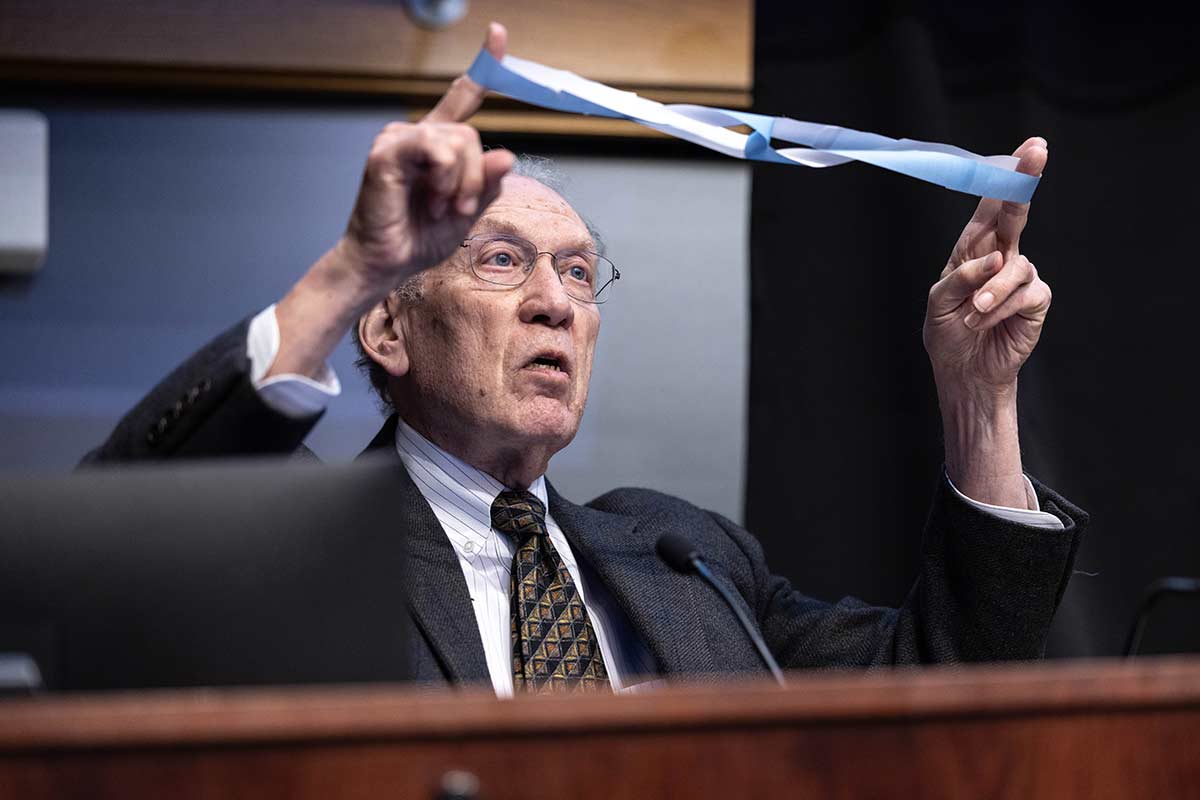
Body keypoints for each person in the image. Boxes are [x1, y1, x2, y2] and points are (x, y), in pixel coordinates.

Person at [84, 23, 1087, 695]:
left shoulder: (687, 556)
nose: (554, 302)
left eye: (577, 273)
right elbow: (124, 529)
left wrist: (980, 395)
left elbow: (946, 683)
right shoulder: (301, 543)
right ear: (389, 330)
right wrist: (353, 268)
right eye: (502, 260)